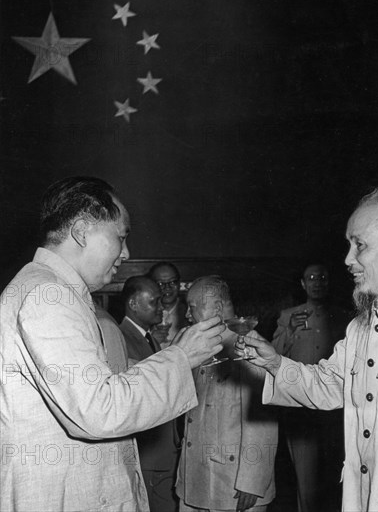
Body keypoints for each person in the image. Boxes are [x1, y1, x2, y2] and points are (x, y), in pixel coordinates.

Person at [0, 176, 224, 512]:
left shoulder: (48, 288)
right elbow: (98, 410)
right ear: (81, 232)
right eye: (121, 237)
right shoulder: (48, 295)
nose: (126, 252)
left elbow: (90, 384)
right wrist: (181, 356)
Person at [237, 186, 378, 512]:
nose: (347, 259)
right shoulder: (360, 328)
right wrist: (275, 364)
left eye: (360, 245)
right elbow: (330, 386)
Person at [176, 275, 278, 512]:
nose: (188, 316)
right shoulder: (200, 345)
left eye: (192, 308)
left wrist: (252, 482)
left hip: (233, 485)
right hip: (197, 477)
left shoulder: (250, 348)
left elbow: (263, 420)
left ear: (218, 308)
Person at [271, 263, 349, 512]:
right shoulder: (288, 316)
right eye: (311, 278)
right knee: (306, 480)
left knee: (337, 477)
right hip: (301, 412)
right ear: (303, 284)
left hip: (335, 411)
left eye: (322, 277)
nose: (317, 282)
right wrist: (290, 331)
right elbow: (272, 357)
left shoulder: (345, 317)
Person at [119, 275, 181, 512]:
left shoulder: (148, 338)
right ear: (133, 304)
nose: (161, 307)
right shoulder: (121, 337)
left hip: (162, 453)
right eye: (154, 302)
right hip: (148, 455)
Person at [149, 261, 188, 349]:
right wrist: (150, 341)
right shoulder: (144, 312)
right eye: (160, 283)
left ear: (179, 284)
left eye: (172, 282)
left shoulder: (189, 311)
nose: (167, 288)